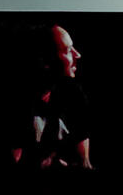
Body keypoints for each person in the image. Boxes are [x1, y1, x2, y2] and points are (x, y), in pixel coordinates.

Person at [9, 24, 92, 171]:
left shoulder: (74, 96)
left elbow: (84, 164)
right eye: (67, 50)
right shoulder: (17, 103)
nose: (77, 54)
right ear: (45, 60)